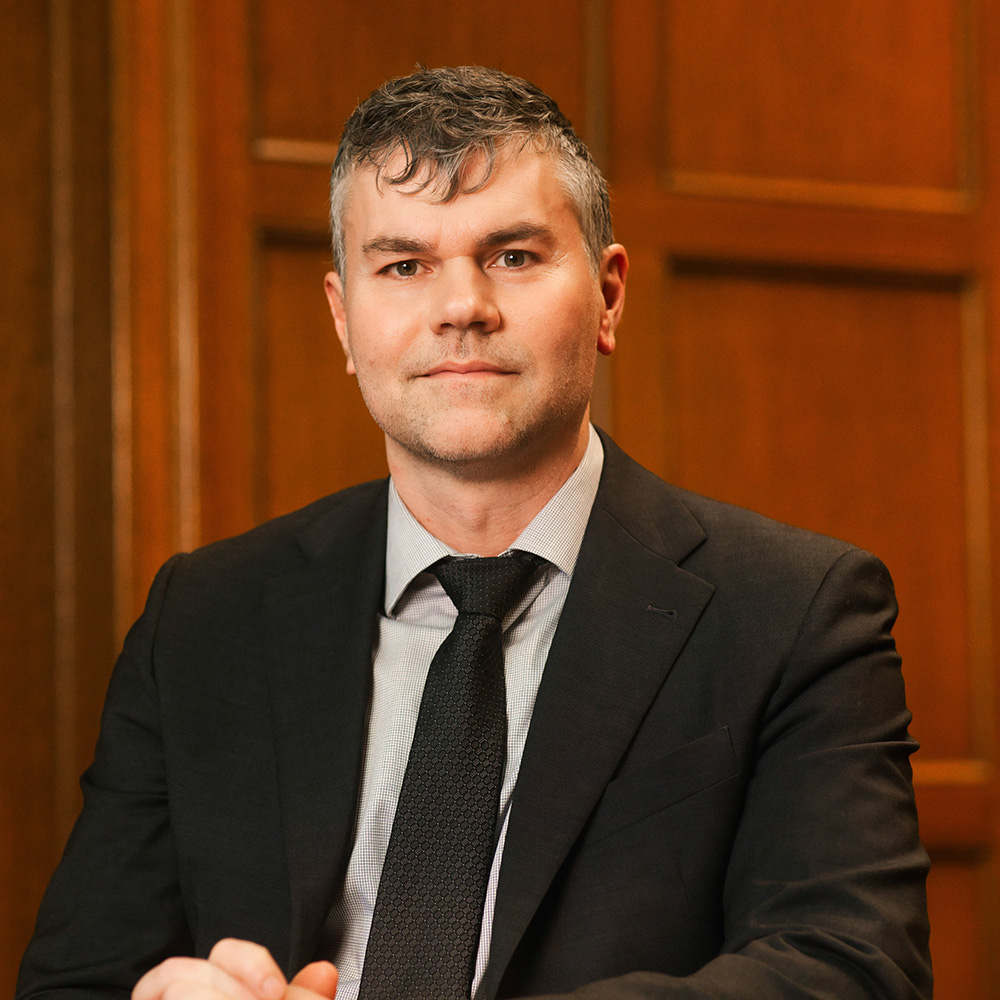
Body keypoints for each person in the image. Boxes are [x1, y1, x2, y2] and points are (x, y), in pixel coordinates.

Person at [18, 66, 932, 1000]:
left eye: (514, 256)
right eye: (403, 266)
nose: (462, 306)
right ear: (343, 318)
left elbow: (852, 969)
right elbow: (76, 982)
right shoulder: (204, 617)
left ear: (609, 295)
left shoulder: (793, 612)